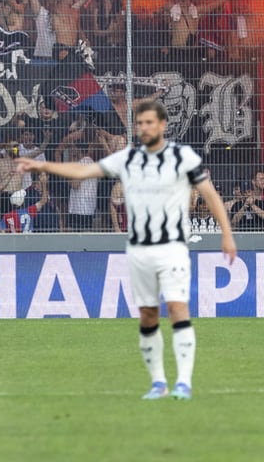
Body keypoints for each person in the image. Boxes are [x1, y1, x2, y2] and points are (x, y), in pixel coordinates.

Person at [16, 101, 236, 401]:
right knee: (147, 315)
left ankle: (183, 381)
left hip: (172, 248)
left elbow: (210, 194)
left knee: (176, 308)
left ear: (162, 125)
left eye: (149, 122)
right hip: (139, 251)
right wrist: (42, 165)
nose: (144, 127)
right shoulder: (127, 159)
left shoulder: (182, 157)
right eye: (140, 123)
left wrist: (227, 234)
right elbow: (83, 172)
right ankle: (158, 382)